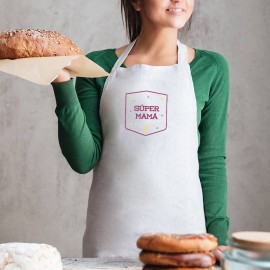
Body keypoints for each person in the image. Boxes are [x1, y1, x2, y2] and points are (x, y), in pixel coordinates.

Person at [51, 0, 230, 261]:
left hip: (186, 240)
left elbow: (211, 160)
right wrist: (63, 86)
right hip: (111, 237)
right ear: (136, 1)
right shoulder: (95, 67)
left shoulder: (211, 68)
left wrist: (219, 239)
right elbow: (82, 160)